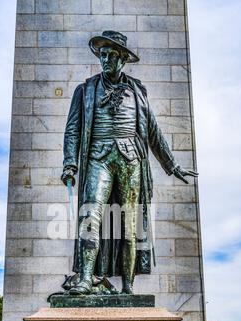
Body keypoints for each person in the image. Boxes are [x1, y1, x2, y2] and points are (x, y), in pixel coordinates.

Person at [61, 31, 198, 295]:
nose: (106, 59)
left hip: (130, 159)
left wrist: (172, 166)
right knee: (90, 217)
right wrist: (70, 164)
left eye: (112, 55)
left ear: (123, 58)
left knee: (129, 225)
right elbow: (72, 130)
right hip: (97, 158)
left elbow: (153, 131)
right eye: (103, 54)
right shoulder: (86, 89)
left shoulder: (137, 90)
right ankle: (87, 278)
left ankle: (128, 287)